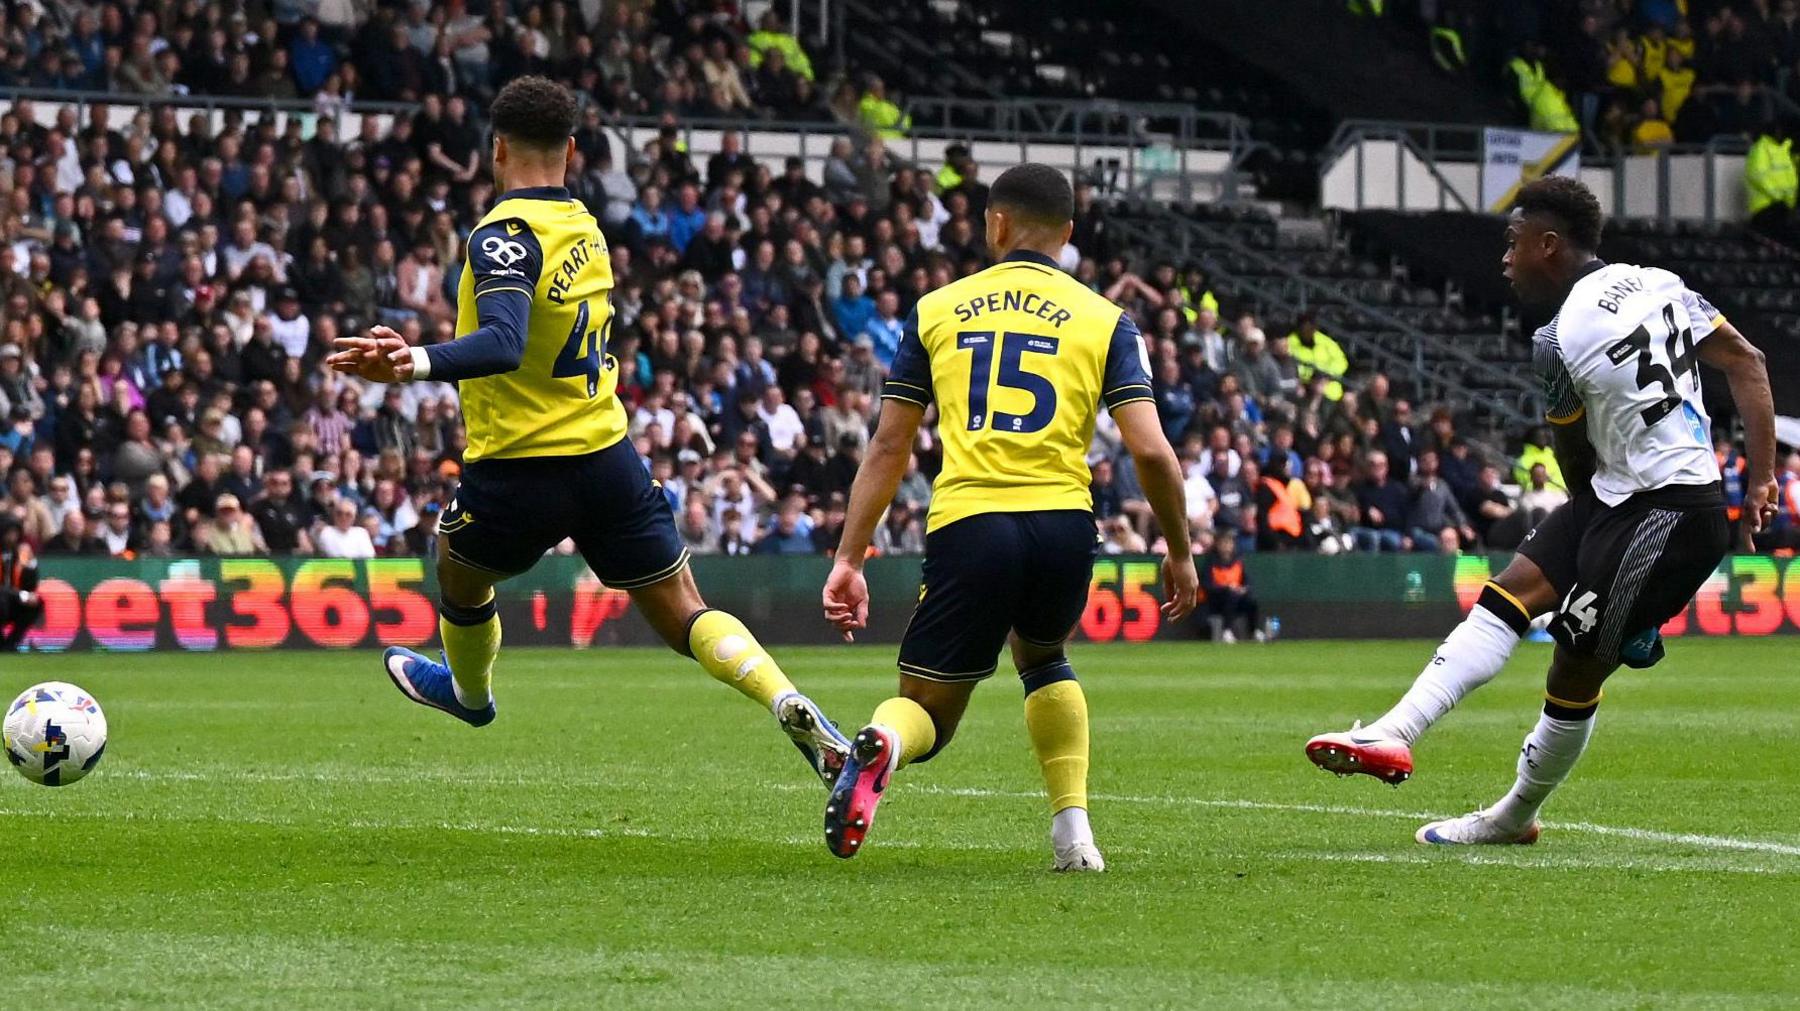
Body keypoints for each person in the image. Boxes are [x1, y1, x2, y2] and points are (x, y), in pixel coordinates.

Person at [326, 77, 849, 788]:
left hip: (518, 468)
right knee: (685, 611)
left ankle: (470, 695)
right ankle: (782, 695)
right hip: (606, 456)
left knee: (455, 560)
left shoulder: (504, 235)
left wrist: (409, 362)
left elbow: (505, 341)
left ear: (497, 149)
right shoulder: (584, 225)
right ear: (571, 150)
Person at [1306, 176, 1776, 846]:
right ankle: (1395, 730)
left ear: (1548, 244)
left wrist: (1595, 547)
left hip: (1663, 513)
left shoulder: (1557, 339)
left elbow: (1571, 455)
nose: (1505, 257)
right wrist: (1759, 483)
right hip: (1644, 494)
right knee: (1509, 593)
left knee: (1575, 662)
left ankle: (1514, 814)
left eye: (1513, 240)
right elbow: (1749, 362)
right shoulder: (1659, 282)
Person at [820, 163, 1197, 870]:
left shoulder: (937, 309)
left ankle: (884, 743)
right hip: (1063, 525)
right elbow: (1151, 449)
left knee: (928, 708)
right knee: (1044, 655)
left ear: (995, 224)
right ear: (1068, 235)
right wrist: (1179, 548)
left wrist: (850, 556)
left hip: (973, 521)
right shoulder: (1106, 318)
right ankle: (1074, 835)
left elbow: (890, 444)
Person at [1199, 535, 1260, 643]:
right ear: (1217, 545)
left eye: (1229, 543)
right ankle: (1227, 631)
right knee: (1231, 597)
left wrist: (1244, 589)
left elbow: (1247, 581)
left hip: (1237, 598)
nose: (1226, 546)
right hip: (1216, 601)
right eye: (1224, 543)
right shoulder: (1210, 564)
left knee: (1251, 602)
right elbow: (1207, 585)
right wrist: (1226, 588)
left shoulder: (1238, 563)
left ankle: (1254, 631)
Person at [0, 517, 41, 651]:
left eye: (15, 533)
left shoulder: (25, 553)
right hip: (4, 601)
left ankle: (11, 643)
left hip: (15, 602)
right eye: (9, 533)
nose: (12, 537)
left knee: (37, 603)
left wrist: (30, 595)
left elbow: (32, 583)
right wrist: (21, 594)